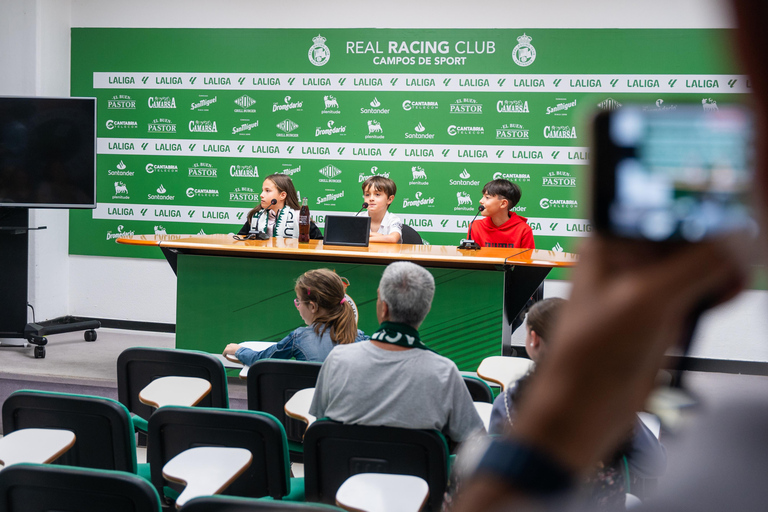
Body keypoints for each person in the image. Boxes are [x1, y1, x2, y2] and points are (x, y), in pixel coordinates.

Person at [452, 1, 762, 509]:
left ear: (534, 343)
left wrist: (554, 423)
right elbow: (654, 467)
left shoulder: (511, 406)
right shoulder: (731, 449)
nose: (483, 202)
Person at [487, 298, 666, 507]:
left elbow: (493, 473)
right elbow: (655, 464)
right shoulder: (609, 403)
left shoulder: (506, 403)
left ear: (533, 339)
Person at [309, 261, 484, 443]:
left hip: (346, 471)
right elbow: (475, 442)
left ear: (384, 308)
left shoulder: (338, 359)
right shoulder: (444, 372)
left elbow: (321, 427)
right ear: (426, 310)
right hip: (417, 471)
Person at [222, 268, 367, 365]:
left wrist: (238, 350)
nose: (297, 306)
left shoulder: (299, 337)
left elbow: (260, 360)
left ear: (312, 307)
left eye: (298, 301)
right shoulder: (360, 338)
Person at [236, 173, 321, 239]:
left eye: (267, 191)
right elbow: (240, 239)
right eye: (262, 190)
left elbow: (318, 242)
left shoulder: (299, 217)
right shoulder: (257, 216)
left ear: (282, 195)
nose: (261, 195)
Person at [468, 179, 534, 249]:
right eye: (482, 196)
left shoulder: (523, 230)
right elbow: (473, 258)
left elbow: (526, 258)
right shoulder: (475, 226)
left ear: (503, 204)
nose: (481, 201)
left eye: (487, 197)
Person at [362, 175, 403, 243]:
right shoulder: (357, 217)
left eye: (377, 194)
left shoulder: (393, 220)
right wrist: (381, 236)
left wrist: (362, 238)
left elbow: (393, 238)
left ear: (389, 199)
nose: (371, 199)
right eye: (367, 195)